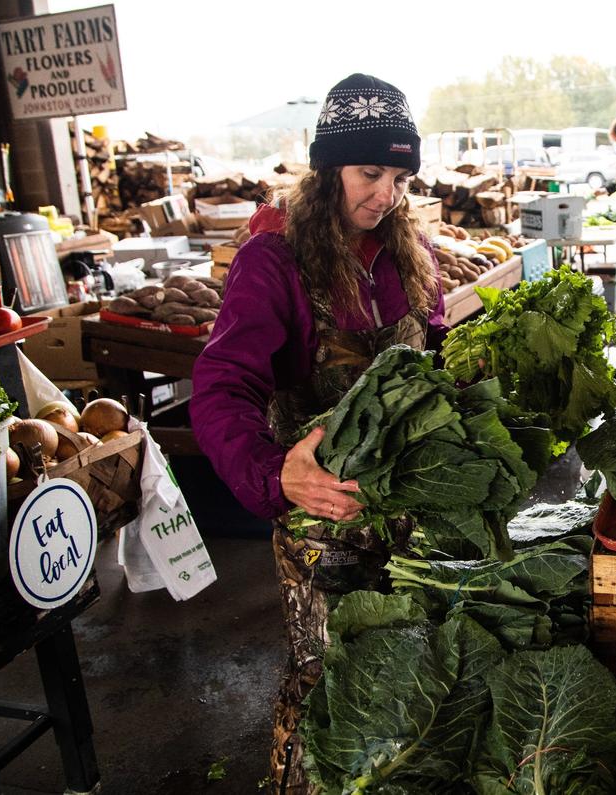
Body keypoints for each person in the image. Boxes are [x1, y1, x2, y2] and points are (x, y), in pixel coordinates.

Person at [189, 73, 446, 793]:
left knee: (412, 685)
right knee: (330, 690)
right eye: (370, 173)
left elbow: (435, 345)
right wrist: (274, 475)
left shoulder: (408, 252)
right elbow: (219, 388)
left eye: (400, 177)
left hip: (411, 516)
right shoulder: (273, 263)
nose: (386, 195)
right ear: (326, 166)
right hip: (323, 525)